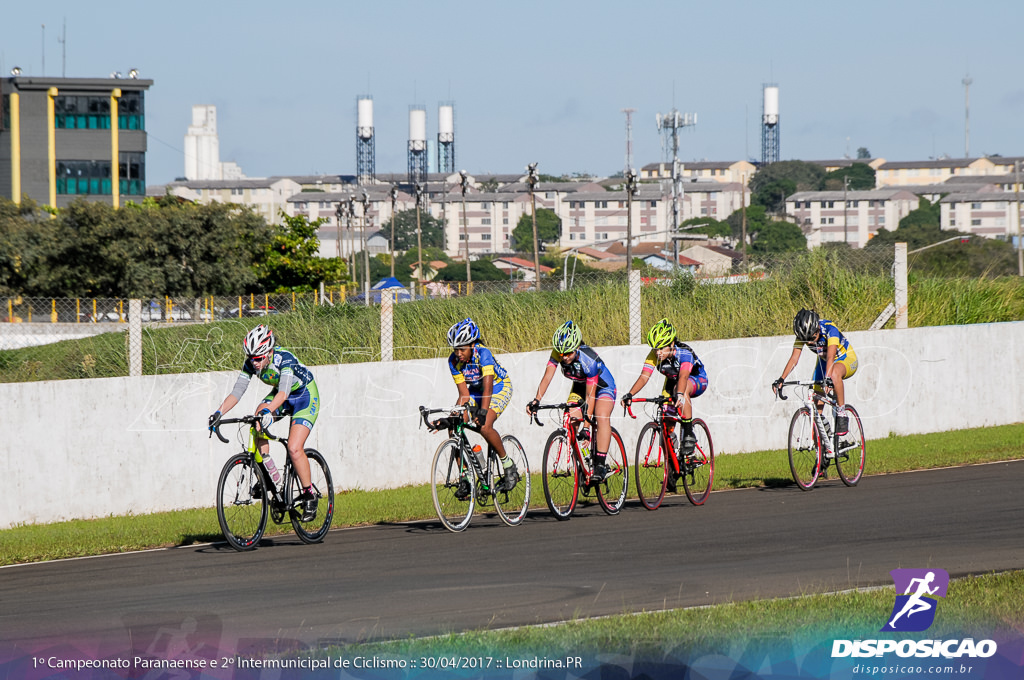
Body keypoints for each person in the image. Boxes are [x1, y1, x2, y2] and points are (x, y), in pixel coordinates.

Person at [208, 324, 321, 521]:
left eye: (259, 359)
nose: (255, 364)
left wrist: (270, 410)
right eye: (251, 359)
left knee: (294, 448)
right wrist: (218, 412)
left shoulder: (284, 359)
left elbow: (284, 392)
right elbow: (238, 391)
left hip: (304, 396)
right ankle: (269, 476)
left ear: (269, 352)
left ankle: (309, 494)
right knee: (257, 419)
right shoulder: (251, 363)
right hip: (282, 395)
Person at [620, 319, 708, 491]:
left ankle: (689, 433)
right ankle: (673, 469)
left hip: (696, 380)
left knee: (680, 389)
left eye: (661, 348)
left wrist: (681, 395)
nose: (658, 352)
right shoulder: (654, 355)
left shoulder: (684, 353)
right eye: (655, 348)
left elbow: (683, 377)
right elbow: (644, 377)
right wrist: (630, 394)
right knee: (666, 428)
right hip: (673, 383)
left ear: (672, 344)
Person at [526, 320, 616, 483]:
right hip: (580, 386)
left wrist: (587, 427)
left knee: (601, 416)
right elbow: (547, 376)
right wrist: (536, 400)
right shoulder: (558, 353)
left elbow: (591, 395)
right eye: (562, 354)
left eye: (568, 353)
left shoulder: (588, 360)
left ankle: (601, 465)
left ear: (577, 348)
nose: (565, 357)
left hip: (602, 388)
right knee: (570, 420)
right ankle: (583, 463)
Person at [436, 318, 519, 493]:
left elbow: (488, 387)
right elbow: (464, 395)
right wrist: (451, 417)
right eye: (455, 349)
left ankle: (508, 465)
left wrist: (482, 412)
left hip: (498, 387)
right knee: (455, 426)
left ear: (472, 345)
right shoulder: (453, 362)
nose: (458, 353)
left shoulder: (483, 354)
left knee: (484, 425)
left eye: (462, 349)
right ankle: (465, 477)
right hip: (475, 392)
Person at [772, 308, 858, 436]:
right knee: (815, 407)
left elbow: (830, 357)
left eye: (812, 338)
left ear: (817, 328)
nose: (810, 342)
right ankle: (823, 441)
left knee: (834, 374)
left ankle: (841, 412)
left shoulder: (830, 329)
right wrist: (781, 379)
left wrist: (828, 379)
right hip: (824, 362)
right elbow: (794, 358)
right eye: (806, 340)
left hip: (845, 358)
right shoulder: (803, 334)